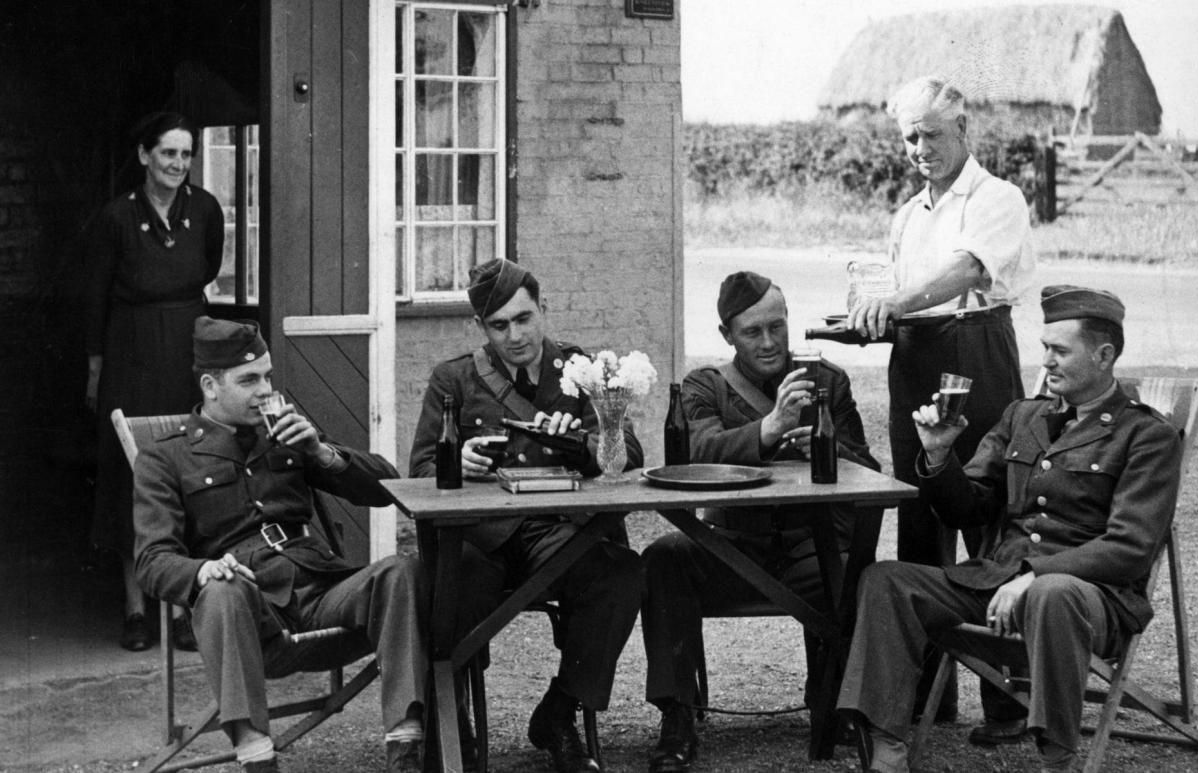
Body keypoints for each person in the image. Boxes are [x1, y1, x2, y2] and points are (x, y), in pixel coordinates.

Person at [837, 286, 1182, 773]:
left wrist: (1034, 575)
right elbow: (967, 509)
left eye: (1060, 350)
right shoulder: (1023, 416)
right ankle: (888, 745)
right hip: (998, 583)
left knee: (1052, 593)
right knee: (886, 580)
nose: (1047, 361)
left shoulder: (1147, 437)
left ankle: (1058, 757)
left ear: (1104, 356)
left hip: (1090, 598)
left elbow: (1129, 547)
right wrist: (939, 455)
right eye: (1045, 348)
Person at [133, 318, 426, 773]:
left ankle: (405, 749)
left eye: (267, 376)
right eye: (249, 380)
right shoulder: (166, 457)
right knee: (222, 587)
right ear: (210, 385)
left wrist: (321, 452)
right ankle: (257, 758)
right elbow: (151, 561)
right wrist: (200, 572)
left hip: (323, 592)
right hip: (252, 613)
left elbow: (390, 487)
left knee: (401, 571)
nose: (265, 391)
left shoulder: (286, 433)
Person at [845, 75, 1036, 730]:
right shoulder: (905, 214)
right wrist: (867, 317)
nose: (920, 147)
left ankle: (1008, 698)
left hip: (978, 354)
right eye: (909, 136)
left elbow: (967, 272)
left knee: (989, 510)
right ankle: (932, 696)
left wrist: (894, 303)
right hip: (915, 361)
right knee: (920, 514)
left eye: (931, 133)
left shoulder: (997, 197)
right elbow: (900, 296)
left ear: (963, 130)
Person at [407, 259, 644, 773]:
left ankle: (559, 713)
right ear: (480, 328)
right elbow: (421, 467)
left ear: (544, 310)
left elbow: (630, 452)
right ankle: (452, 724)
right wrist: (458, 460)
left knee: (621, 575)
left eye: (524, 319)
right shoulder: (455, 378)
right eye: (499, 325)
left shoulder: (580, 370)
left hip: (555, 535)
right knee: (448, 589)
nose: (514, 336)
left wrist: (581, 441)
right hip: (481, 540)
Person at [642, 271, 882, 773]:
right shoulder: (705, 385)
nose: (769, 342)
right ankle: (677, 715)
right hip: (733, 548)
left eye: (778, 326)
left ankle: (835, 699)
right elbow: (695, 452)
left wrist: (827, 446)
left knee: (861, 574)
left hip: (809, 552)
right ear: (727, 334)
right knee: (664, 557)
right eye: (753, 332)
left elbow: (870, 471)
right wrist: (769, 430)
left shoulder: (827, 380)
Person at [85, 111, 225, 651]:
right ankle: (137, 609)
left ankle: (186, 606)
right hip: (132, 349)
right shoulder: (116, 217)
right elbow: (95, 293)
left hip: (188, 347)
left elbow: (208, 266)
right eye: (167, 153)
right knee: (133, 472)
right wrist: (96, 366)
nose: (178, 164)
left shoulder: (205, 208)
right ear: (145, 156)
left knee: (191, 469)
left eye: (186, 154)